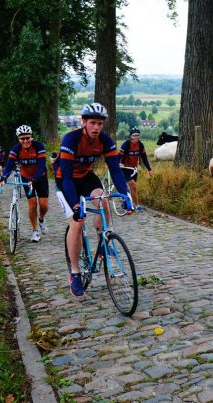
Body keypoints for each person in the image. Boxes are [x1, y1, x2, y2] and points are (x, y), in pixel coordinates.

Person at [55, 103, 132, 297]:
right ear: (84, 122)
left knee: (104, 201)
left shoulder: (105, 140)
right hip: (66, 180)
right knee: (77, 223)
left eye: (100, 123)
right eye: (92, 123)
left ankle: (102, 242)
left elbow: (115, 170)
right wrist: (75, 205)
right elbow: (66, 176)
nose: (96, 127)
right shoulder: (71, 139)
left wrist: (126, 195)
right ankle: (74, 273)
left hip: (86, 177)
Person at [0, 125, 49, 242]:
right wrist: (4, 177)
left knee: (44, 205)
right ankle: (35, 230)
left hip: (40, 177)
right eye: (22, 138)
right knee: (32, 203)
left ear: (31, 137)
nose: (25, 141)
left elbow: (41, 166)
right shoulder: (16, 149)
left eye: (28, 138)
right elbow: (9, 165)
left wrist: (35, 179)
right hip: (26, 177)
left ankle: (41, 219)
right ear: (18, 139)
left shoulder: (39, 146)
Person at [119, 127, 153, 212]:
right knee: (133, 185)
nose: (136, 137)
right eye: (134, 135)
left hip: (133, 169)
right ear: (131, 136)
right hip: (125, 168)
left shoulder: (140, 145)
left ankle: (127, 202)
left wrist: (149, 169)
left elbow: (144, 158)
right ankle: (137, 205)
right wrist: (117, 163)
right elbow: (119, 156)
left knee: (133, 189)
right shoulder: (126, 144)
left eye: (137, 135)